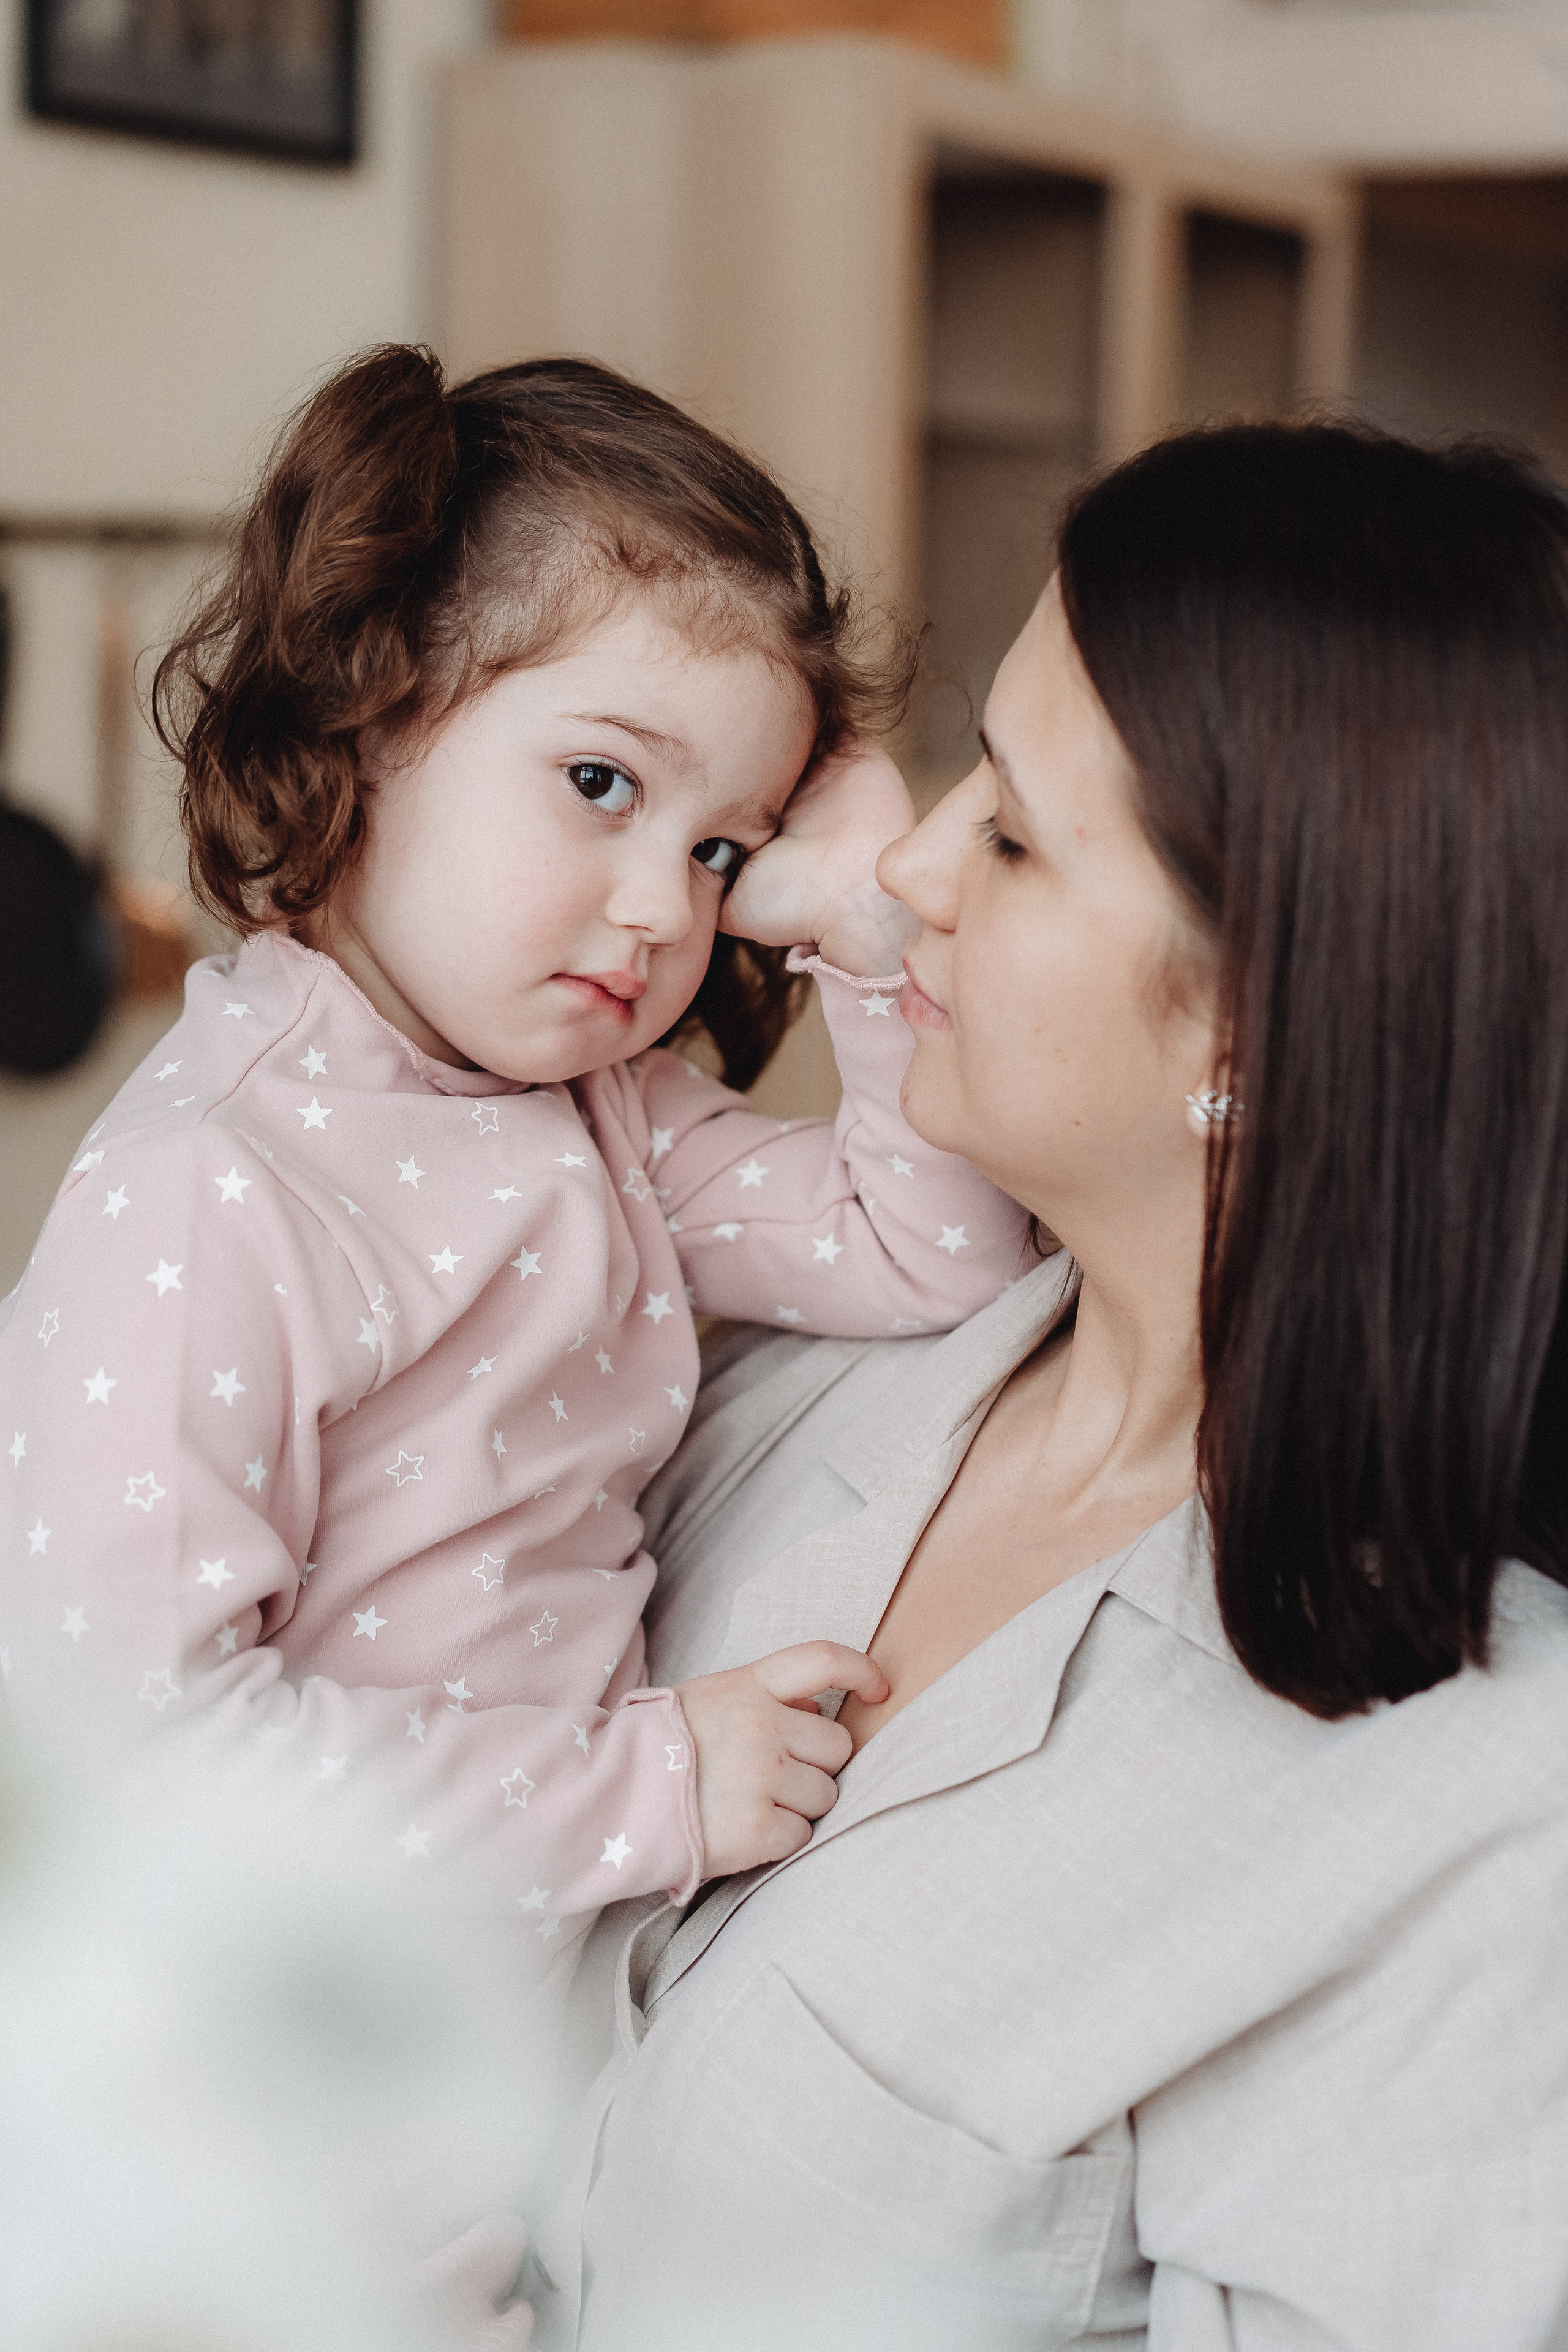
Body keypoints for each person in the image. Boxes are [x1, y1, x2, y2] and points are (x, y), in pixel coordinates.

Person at [526, 422, 1568, 2352]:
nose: (907, 859)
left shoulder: (1492, 1830)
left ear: (1268, 1017)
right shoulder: (768, 1380)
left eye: (1010, 830)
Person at [0, 347, 1029, 1965]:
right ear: (370, 705)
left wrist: (864, 918)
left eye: (719, 850)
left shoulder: (600, 1112)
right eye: (599, 783)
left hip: (500, 2047)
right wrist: (650, 1784)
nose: (663, 910)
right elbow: (134, 1761)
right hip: (243, 2077)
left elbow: (933, 1254)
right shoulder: (212, 1187)